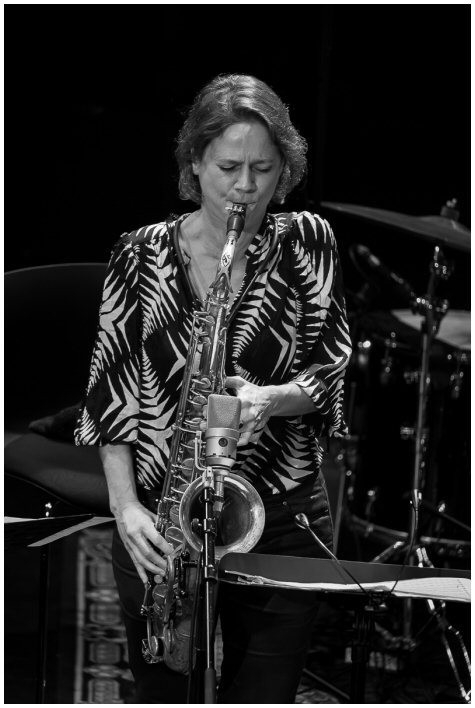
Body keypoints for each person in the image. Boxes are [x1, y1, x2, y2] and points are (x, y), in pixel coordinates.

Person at [75, 73, 352, 704]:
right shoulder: (139, 256)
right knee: (162, 692)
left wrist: (268, 400)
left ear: (285, 170)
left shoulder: (310, 242)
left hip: (280, 508)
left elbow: (329, 372)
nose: (246, 187)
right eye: (229, 167)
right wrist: (125, 507)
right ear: (195, 163)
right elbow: (108, 395)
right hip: (163, 516)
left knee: (265, 694)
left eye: (264, 168)